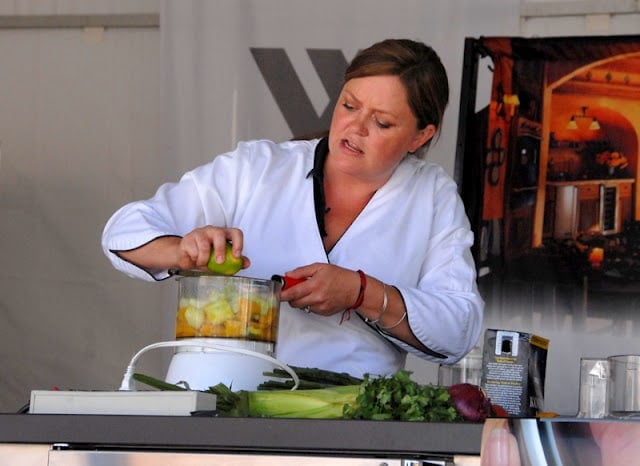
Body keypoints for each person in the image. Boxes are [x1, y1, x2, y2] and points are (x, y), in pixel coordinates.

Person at [102, 38, 484, 378]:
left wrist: (360, 292)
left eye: (382, 123)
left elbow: (458, 330)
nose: (356, 127)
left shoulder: (432, 196)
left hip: (349, 420)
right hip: (215, 399)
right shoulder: (258, 168)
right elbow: (123, 232)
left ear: (420, 135)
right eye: (349, 105)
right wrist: (186, 250)